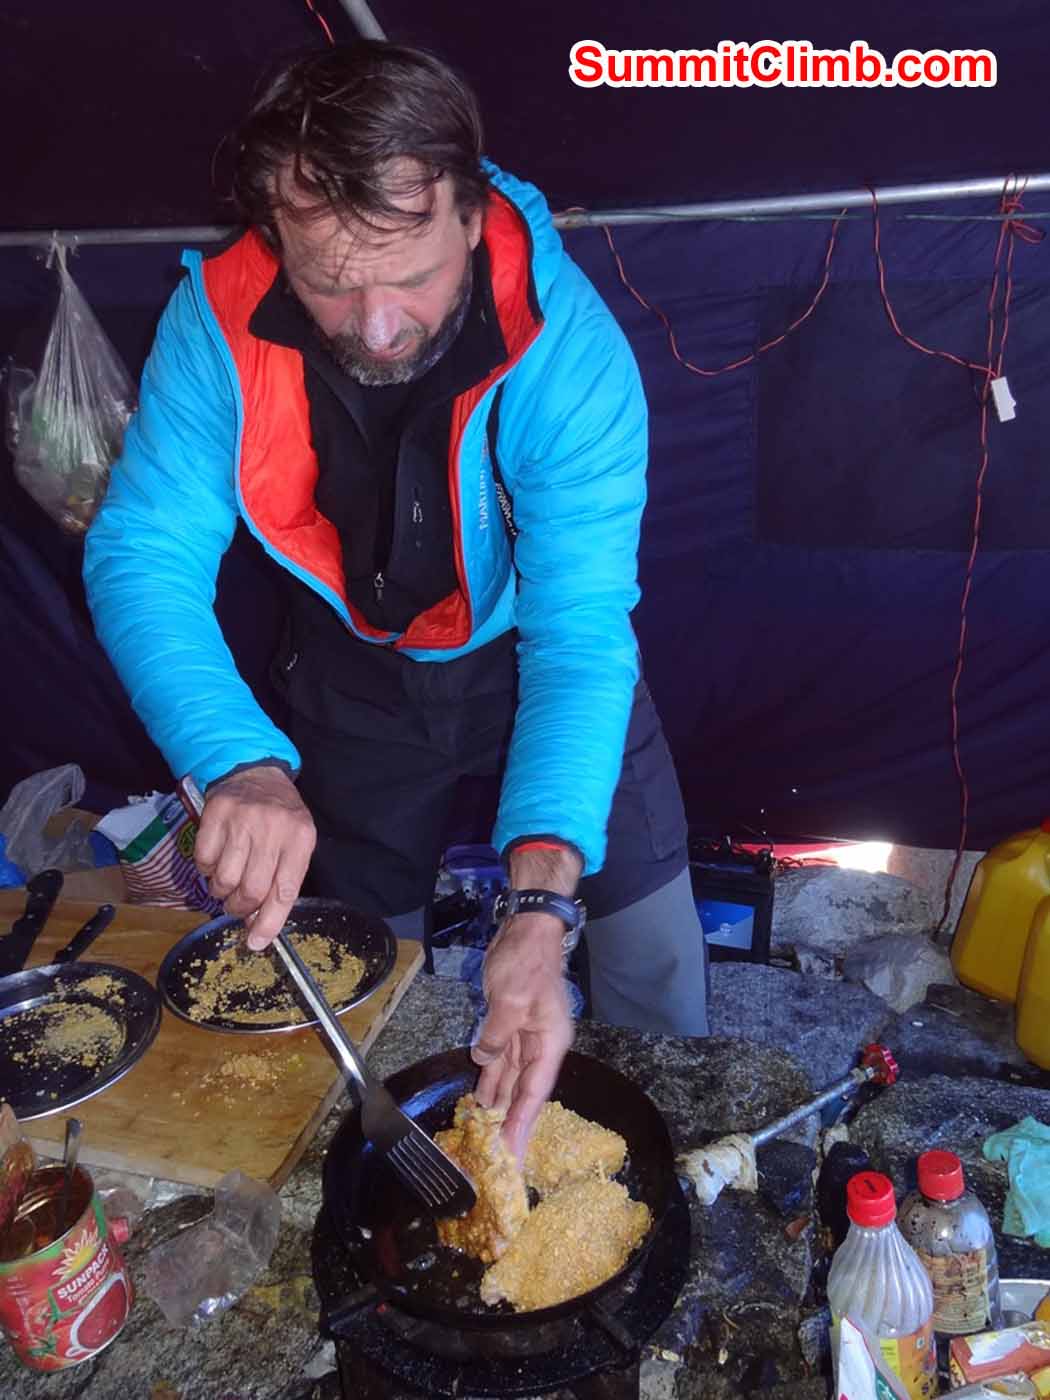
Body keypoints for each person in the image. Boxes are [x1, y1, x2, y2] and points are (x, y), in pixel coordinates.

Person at [83, 41, 707, 1156]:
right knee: (366, 964)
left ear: (469, 216)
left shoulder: (570, 354)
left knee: (650, 939)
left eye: (409, 274)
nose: (376, 325)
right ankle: (403, 1160)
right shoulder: (211, 324)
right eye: (329, 279)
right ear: (277, 235)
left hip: (540, 666)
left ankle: (691, 1160)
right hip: (353, 677)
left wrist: (536, 912)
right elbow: (142, 554)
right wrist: (237, 758)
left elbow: (577, 637)